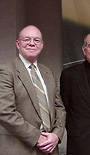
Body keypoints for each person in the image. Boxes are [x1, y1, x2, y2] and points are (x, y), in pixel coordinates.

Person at [0, 25, 66, 155]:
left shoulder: (48, 72)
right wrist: (37, 137)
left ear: (41, 45)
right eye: (27, 39)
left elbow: (60, 108)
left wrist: (56, 135)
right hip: (20, 149)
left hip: (50, 149)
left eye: (36, 40)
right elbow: (5, 112)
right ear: (18, 44)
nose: (31, 43)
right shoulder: (6, 71)